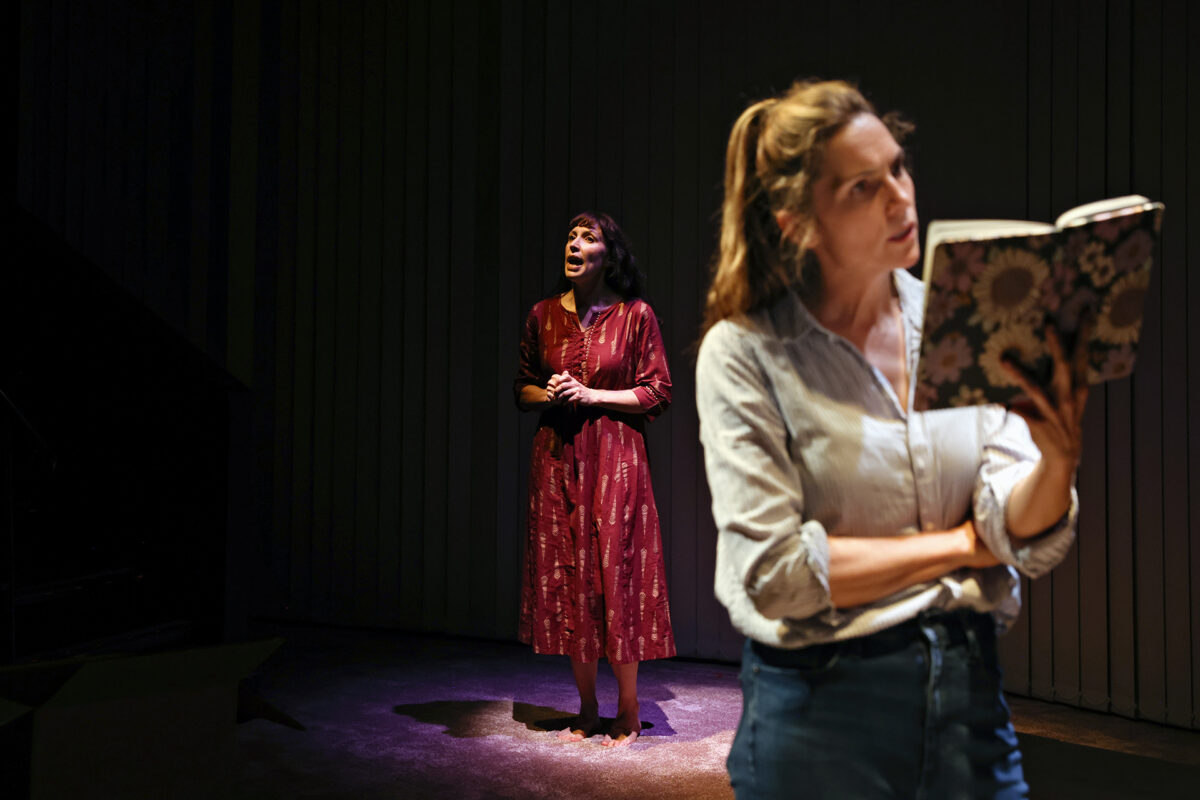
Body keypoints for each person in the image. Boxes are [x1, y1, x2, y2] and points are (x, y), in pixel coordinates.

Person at [696, 80, 1089, 798]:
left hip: (970, 700)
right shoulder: (746, 353)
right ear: (797, 222)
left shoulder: (965, 317)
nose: (902, 199)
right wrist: (965, 547)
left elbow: (1016, 522)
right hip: (823, 715)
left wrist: (1058, 458)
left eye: (900, 168)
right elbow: (780, 573)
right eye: (861, 188)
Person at [514, 211, 676, 748]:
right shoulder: (542, 316)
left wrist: (592, 395)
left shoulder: (636, 317)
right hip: (558, 460)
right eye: (570, 236)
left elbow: (656, 392)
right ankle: (586, 709)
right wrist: (555, 391)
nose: (575, 244)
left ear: (611, 255)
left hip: (616, 461)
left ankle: (628, 710)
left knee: (618, 576)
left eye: (589, 237)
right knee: (569, 578)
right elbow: (523, 390)